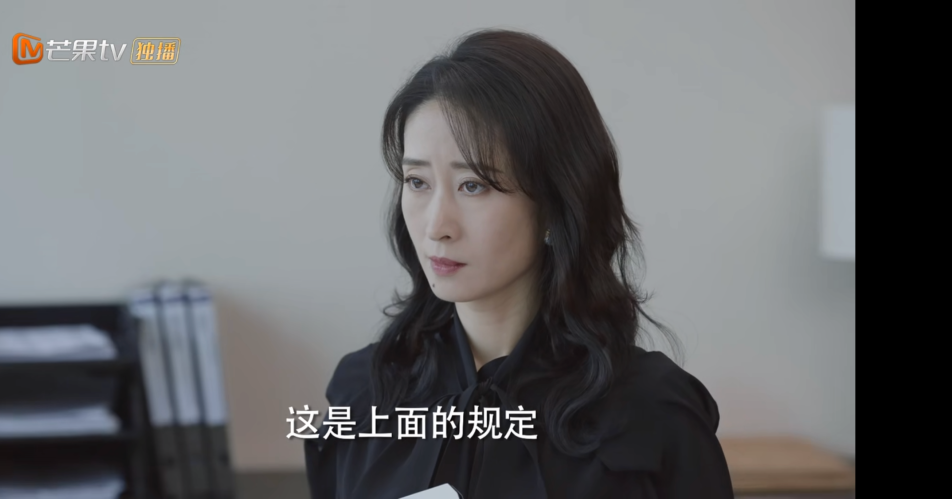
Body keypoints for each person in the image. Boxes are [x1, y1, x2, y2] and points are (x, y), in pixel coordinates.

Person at [303, 28, 734, 499]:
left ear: (555, 204)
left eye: (473, 186)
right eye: (417, 182)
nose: (436, 226)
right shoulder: (363, 394)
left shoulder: (654, 413)